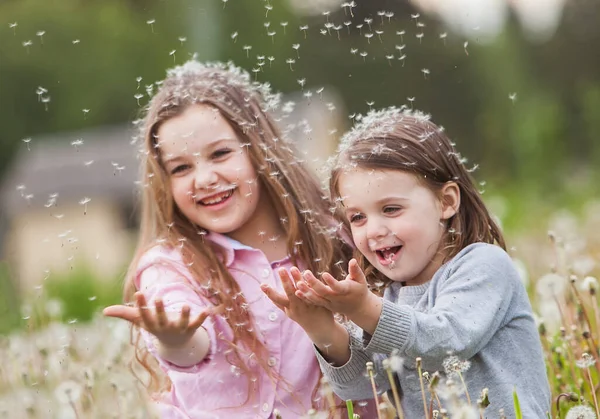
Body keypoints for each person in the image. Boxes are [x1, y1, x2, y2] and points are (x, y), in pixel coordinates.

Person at [103, 59, 376, 418]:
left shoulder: (336, 239)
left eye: (220, 154)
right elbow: (193, 343)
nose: (203, 178)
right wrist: (176, 338)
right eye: (181, 168)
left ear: (259, 149)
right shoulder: (171, 266)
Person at [263, 107, 551, 418]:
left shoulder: (484, 264)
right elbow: (363, 385)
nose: (373, 230)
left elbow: (447, 342)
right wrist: (320, 328)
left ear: (447, 202)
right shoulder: (393, 295)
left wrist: (363, 309)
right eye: (357, 217)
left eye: (391, 209)